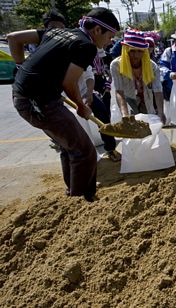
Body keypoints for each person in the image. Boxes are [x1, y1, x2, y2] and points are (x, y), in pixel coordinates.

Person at [8, 7, 120, 201]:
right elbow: (69, 83)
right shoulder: (86, 46)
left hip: (28, 96)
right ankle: (82, 200)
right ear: (97, 31)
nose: (110, 41)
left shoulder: (58, 32)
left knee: (69, 146)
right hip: (38, 103)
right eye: (110, 36)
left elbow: (13, 38)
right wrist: (81, 106)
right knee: (85, 151)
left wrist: (20, 67)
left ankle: (73, 193)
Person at [110, 29, 166, 124]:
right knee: (131, 128)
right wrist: (125, 114)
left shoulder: (152, 67)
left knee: (150, 129)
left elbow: (157, 90)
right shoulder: (116, 65)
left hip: (146, 99)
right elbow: (119, 91)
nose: (136, 55)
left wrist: (161, 112)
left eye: (139, 51)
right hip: (128, 99)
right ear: (126, 50)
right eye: (132, 51)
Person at [79, 65, 121, 161]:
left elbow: (89, 76)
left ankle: (110, 148)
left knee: (102, 111)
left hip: (85, 91)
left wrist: (89, 95)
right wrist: (79, 103)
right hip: (67, 95)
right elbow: (68, 83)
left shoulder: (83, 57)